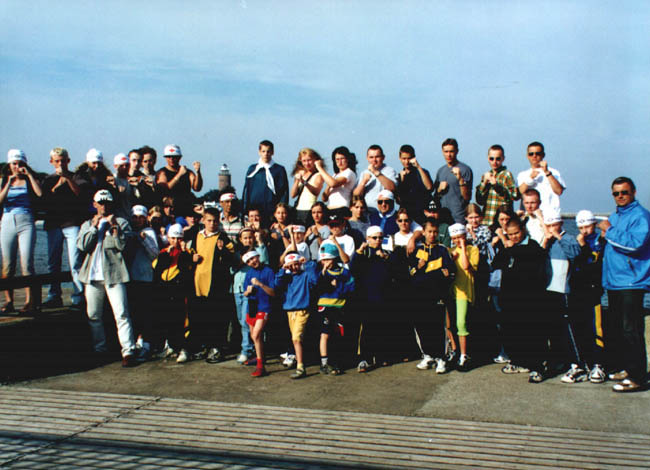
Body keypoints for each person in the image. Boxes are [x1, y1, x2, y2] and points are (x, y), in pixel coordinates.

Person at [599, 177, 650, 393]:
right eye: (616, 193)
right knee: (619, 329)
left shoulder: (641, 216)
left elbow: (636, 244)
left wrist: (609, 231)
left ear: (633, 192)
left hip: (632, 282)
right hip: (614, 282)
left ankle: (638, 377)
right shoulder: (616, 216)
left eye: (624, 192)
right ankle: (627, 369)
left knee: (632, 330)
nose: (620, 196)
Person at [77, 189, 137, 367]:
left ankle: (128, 350)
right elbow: (82, 246)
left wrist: (115, 229)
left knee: (122, 313)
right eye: (101, 203)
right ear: (95, 204)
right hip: (92, 276)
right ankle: (100, 349)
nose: (104, 207)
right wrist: (94, 228)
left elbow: (123, 246)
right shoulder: (87, 224)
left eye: (107, 203)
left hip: (114, 275)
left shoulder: (122, 222)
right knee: (93, 315)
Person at [492, 218, 548, 383]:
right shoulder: (509, 248)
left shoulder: (533, 247)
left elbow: (535, 263)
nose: (514, 237)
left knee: (532, 332)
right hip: (510, 298)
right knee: (513, 331)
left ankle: (537, 367)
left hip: (530, 298)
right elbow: (496, 263)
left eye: (516, 233)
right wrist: (506, 247)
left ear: (523, 230)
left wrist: (512, 249)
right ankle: (518, 361)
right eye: (510, 234)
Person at [539, 209, 581, 383]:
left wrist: (558, 236)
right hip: (549, 290)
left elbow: (575, 254)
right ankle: (559, 360)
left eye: (554, 225)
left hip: (563, 290)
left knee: (567, 328)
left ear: (560, 224)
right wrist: (546, 241)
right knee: (552, 328)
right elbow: (538, 258)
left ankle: (577, 364)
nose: (551, 228)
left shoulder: (568, 239)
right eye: (548, 225)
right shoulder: (547, 242)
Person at [410, 219, 455, 373]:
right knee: (422, 326)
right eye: (429, 231)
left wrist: (443, 275)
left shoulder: (442, 250)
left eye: (435, 232)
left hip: (437, 294)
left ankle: (442, 358)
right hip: (420, 295)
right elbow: (410, 272)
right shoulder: (417, 250)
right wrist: (418, 267)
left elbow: (449, 272)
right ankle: (428, 355)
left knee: (437, 327)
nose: (432, 234)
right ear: (423, 232)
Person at [41, 147, 85, 309]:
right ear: (51, 162)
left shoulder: (76, 177)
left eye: (63, 161)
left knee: (75, 262)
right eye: (57, 161)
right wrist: (56, 186)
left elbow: (79, 194)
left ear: (68, 161)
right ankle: (54, 295)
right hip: (54, 224)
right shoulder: (47, 180)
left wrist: (67, 179)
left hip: (72, 223)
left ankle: (78, 297)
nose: (60, 164)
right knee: (53, 262)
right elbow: (44, 199)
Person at [0, 149, 43, 314]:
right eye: (14, 164)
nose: (16, 167)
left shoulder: (30, 180)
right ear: (9, 164)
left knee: (27, 263)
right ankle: (9, 301)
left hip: (26, 221)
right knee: (8, 265)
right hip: (7, 221)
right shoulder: (4, 180)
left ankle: (29, 301)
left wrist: (29, 176)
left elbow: (39, 194)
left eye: (19, 164)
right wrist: (8, 183)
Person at [191, 207, 235, 364]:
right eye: (209, 220)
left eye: (215, 221)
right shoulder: (197, 235)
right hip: (198, 283)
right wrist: (192, 257)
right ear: (203, 220)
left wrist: (223, 251)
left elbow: (231, 257)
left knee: (216, 317)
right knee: (201, 317)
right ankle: (204, 346)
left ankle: (216, 348)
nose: (212, 224)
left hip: (216, 285)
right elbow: (190, 252)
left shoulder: (222, 237)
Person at [567, 210, 607, 384]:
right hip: (578, 290)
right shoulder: (576, 240)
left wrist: (583, 246)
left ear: (594, 225)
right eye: (581, 227)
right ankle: (582, 363)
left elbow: (593, 263)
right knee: (580, 328)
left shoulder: (599, 241)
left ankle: (599, 364)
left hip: (594, 291)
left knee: (597, 328)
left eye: (588, 227)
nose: (584, 231)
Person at [151, 223, 195, 360]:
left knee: (182, 320)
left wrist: (184, 252)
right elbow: (157, 268)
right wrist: (166, 255)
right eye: (173, 238)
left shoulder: (187, 252)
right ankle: (171, 346)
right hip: (166, 290)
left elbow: (187, 267)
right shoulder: (164, 252)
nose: (176, 241)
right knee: (168, 319)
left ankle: (184, 349)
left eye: (179, 238)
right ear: (168, 238)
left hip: (180, 289)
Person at [274, 252, 319, 379]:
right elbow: (277, 284)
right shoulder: (287, 278)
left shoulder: (305, 275)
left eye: (296, 264)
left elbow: (315, 280)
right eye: (291, 265)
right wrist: (283, 269)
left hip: (302, 310)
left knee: (296, 338)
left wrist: (308, 264)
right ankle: (300, 361)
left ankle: (300, 366)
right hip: (290, 311)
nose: (294, 267)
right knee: (297, 339)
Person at [126, 204, 160, 359]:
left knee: (146, 313)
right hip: (130, 278)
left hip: (145, 279)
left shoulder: (149, 232)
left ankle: (146, 344)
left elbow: (155, 254)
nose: (138, 220)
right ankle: (137, 342)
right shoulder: (128, 231)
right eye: (134, 217)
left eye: (141, 217)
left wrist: (143, 240)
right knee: (134, 313)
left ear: (146, 218)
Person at [316, 243, 355, 375]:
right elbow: (317, 287)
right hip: (325, 307)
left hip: (339, 307)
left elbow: (351, 288)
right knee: (325, 334)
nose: (325, 262)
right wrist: (323, 275)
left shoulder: (344, 272)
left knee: (338, 334)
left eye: (328, 259)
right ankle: (324, 363)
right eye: (323, 260)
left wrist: (338, 286)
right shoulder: (321, 273)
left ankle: (337, 362)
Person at [446, 223, 479, 371]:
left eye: (460, 237)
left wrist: (464, 248)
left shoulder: (473, 250)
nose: (457, 241)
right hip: (451, 290)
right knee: (450, 324)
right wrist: (450, 260)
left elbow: (466, 266)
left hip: (464, 292)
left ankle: (464, 355)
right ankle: (455, 350)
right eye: (454, 238)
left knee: (461, 323)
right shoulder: (450, 251)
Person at [243, 249, 276, 377]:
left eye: (253, 258)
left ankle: (261, 366)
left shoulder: (268, 271)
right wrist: (248, 291)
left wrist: (260, 284)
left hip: (264, 307)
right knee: (255, 337)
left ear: (258, 256)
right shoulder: (249, 273)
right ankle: (259, 357)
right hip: (252, 307)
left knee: (256, 335)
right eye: (248, 261)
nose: (252, 262)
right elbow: (245, 293)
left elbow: (273, 292)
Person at [242, 140, 289, 223]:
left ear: (272, 152)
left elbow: (284, 192)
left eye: (268, 151)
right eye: (263, 151)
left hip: (271, 210)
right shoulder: (253, 169)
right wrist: (245, 210)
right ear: (259, 152)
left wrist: (280, 211)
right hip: (255, 212)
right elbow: (247, 191)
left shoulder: (279, 169)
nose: (266, 154)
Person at [475, 145, 519, 226]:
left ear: (503, 159)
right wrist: (484, 183)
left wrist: (496, 186)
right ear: (488, 158)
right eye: (491, 159)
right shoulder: (486, 175)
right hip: (486, 220)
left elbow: (514, 196)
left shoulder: (506, 175)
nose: (494, 162)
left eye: (498, 159)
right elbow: (479, 201)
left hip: (501, 222)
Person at [517, 142, 565, 214]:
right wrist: (530, 179)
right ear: (527, 156)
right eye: (531, 154)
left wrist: (547, 173)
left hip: (550, 215)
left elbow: (559, 191)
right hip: (530, 216)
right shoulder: (522, 175)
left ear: (543, 155)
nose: (534, 156)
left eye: (538, 153)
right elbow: (519, 192)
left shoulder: (554, 172)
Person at [434, 138, 473, 223]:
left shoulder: (465, 170)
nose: (449, 155)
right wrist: (439, 190)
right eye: (446, 151)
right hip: (443, 218)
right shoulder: (440, 171)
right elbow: (435, 197)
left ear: (457, 151)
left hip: (459, 218)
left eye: (451, 151)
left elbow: (467, 197)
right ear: (442, 152)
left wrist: (460, 179)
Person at [352, 145, 398, 215]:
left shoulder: (390, 171)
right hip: (367, 213)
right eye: (371, 157)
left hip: (384, 213)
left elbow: (392, 188)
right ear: (367, 158)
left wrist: (376, 172)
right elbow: (356, 195)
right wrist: (363, 182)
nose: (374, 160)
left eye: (377, 157)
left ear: (383, 157)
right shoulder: (364, 173)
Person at [156, 144, 202, 210]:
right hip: (170, 208)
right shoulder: (162, 172)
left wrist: (198, 172)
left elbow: (197, 188)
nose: (171, 159)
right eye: (169, 157)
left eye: (174, 157)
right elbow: (164, 189)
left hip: (186, 206)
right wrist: (179, 174)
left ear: (179, 158)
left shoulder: (187, 172)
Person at [395, 144, 433, 224]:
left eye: (409, 158)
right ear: (400, 158)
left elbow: (429, 187)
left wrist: (418, 166)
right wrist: (402, 181)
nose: (406, 161)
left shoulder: (422, 172)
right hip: (406, 217)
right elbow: (399, 200)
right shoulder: (399, 176)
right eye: (404, 158)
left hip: (421, 214)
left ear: (413, 158)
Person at [317, 146, 358, 211]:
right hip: (330, 208)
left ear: (347, 159)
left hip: (342, 208)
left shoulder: (349, 172)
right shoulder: (335, 175)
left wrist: (319, 167)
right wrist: (328, 187)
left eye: (342, 159)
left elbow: (333, 183)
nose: (340, 162)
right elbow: (324, 198)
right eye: (337, 159)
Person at [291, 148, 324, 226]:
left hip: (309, 209)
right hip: (298, 209)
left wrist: (304, 182)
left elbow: (316, 192)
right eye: (304, 161)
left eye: (309, 160)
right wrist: (297, 181)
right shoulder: (301, 174)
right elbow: (293, 195)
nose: (307, 163)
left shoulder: (318, 175)